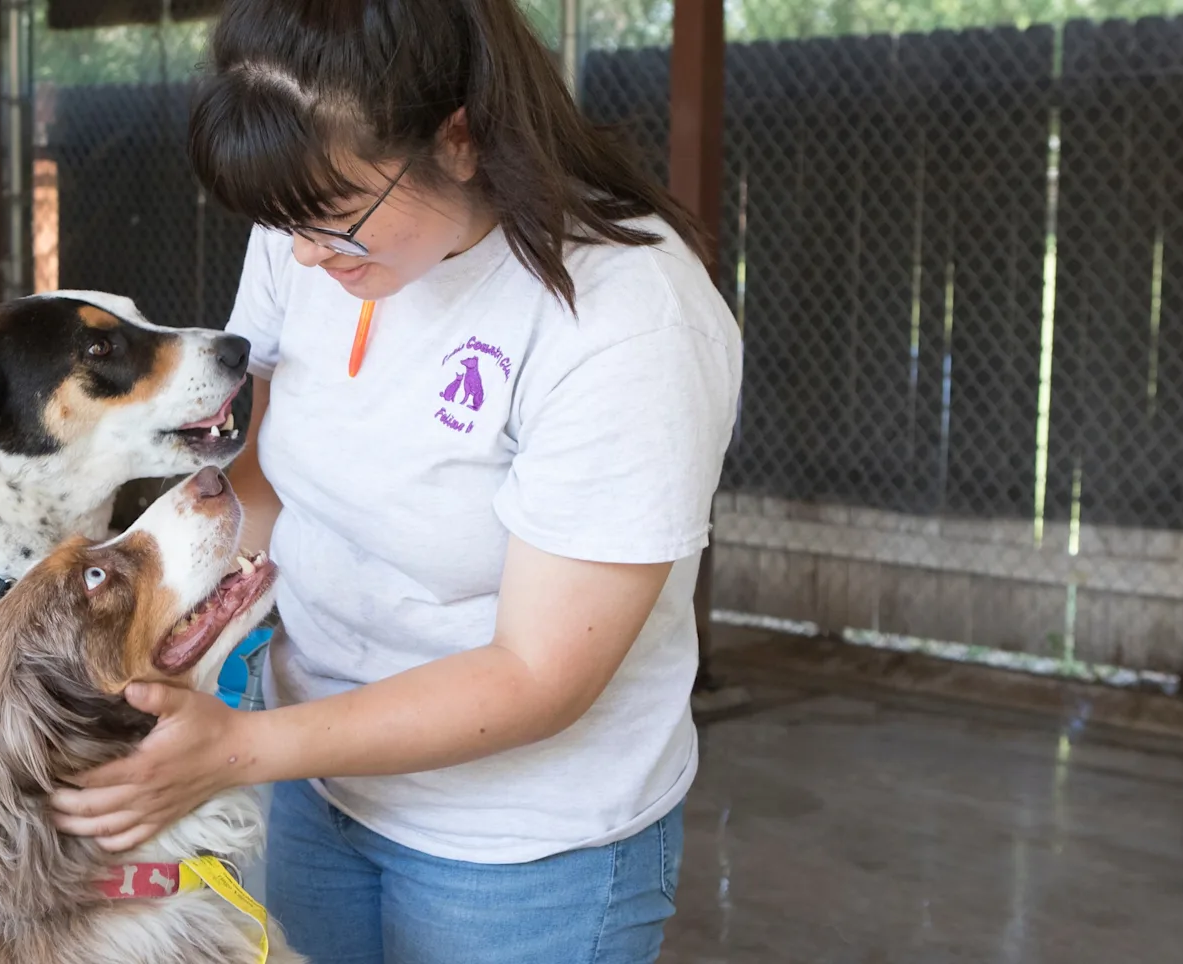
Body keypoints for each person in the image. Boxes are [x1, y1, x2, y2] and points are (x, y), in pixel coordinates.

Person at [47, 2, 742, 962]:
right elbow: (260, 488)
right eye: (281, 225)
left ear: (459, 136)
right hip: (312, 780)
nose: (303, 257)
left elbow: (539, 676)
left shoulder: (626, 321)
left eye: (335, 224)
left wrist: (234, 751)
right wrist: (129, 637)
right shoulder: (313, 224)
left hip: (519, 846)